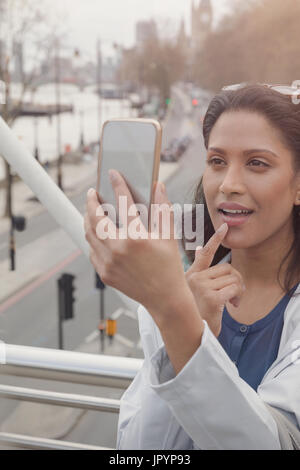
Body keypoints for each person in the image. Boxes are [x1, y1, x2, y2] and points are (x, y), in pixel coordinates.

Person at [84, 84, 300, 450]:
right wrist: (180, 319)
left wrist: (176, 316)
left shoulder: (173, 301)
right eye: (217, 161)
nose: (228, 184)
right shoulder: (183, 293)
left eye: (257, 163)